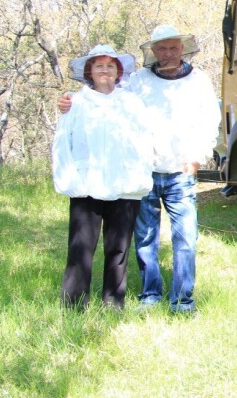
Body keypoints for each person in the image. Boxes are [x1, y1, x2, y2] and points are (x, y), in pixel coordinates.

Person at [59, 25, 220, 313]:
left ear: (182, 49)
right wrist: (69, 100)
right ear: (153, 51)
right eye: (161, 48)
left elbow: (210, 121)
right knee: (145, 240)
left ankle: (183, 301)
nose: (167, 54)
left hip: (181, 171)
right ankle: (150, 296)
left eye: (172, 48)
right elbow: (107, 99)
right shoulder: (139, 82)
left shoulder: (199, 81)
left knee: (185, 239)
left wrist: (198, 158)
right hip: (143, 173)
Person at [52, 45, 154, 310]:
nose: (105, 71)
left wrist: (141, 177)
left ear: (119, 71)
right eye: (99, 66)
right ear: (90, 71)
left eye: (110, 66)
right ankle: (73, 305)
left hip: (124, 186)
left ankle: (113, 304)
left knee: (118, 250)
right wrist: (68, 178)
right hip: (87, 186)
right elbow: (64, 142)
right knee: (81, 248)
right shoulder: (75, 103)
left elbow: (144, 141)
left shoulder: (131, 103)